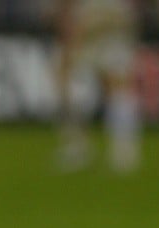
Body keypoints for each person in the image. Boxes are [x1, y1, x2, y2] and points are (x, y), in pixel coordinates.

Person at [54, 0, 141, 173]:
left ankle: (124, 149)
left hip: (111, 33)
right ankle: (78, 145)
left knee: (117, 86)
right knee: (72, 85)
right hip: (89, 33)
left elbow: (126, 18)